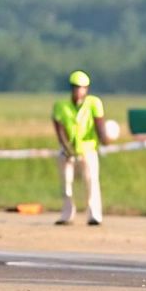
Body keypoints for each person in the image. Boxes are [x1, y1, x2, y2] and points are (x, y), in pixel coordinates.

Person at [51, 70, 105, 226]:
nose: (78, 90)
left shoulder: (94, 103)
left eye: (81, 87)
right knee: (66, 183)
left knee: (91, 182)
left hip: (88, 150)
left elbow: (99, 125)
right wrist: (67, 148)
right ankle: (67, 214)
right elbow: (59, 129)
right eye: (75, 87)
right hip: (67, 150)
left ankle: (94, 215)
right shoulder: (61, 106)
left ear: (86, 88)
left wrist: (104, 138)